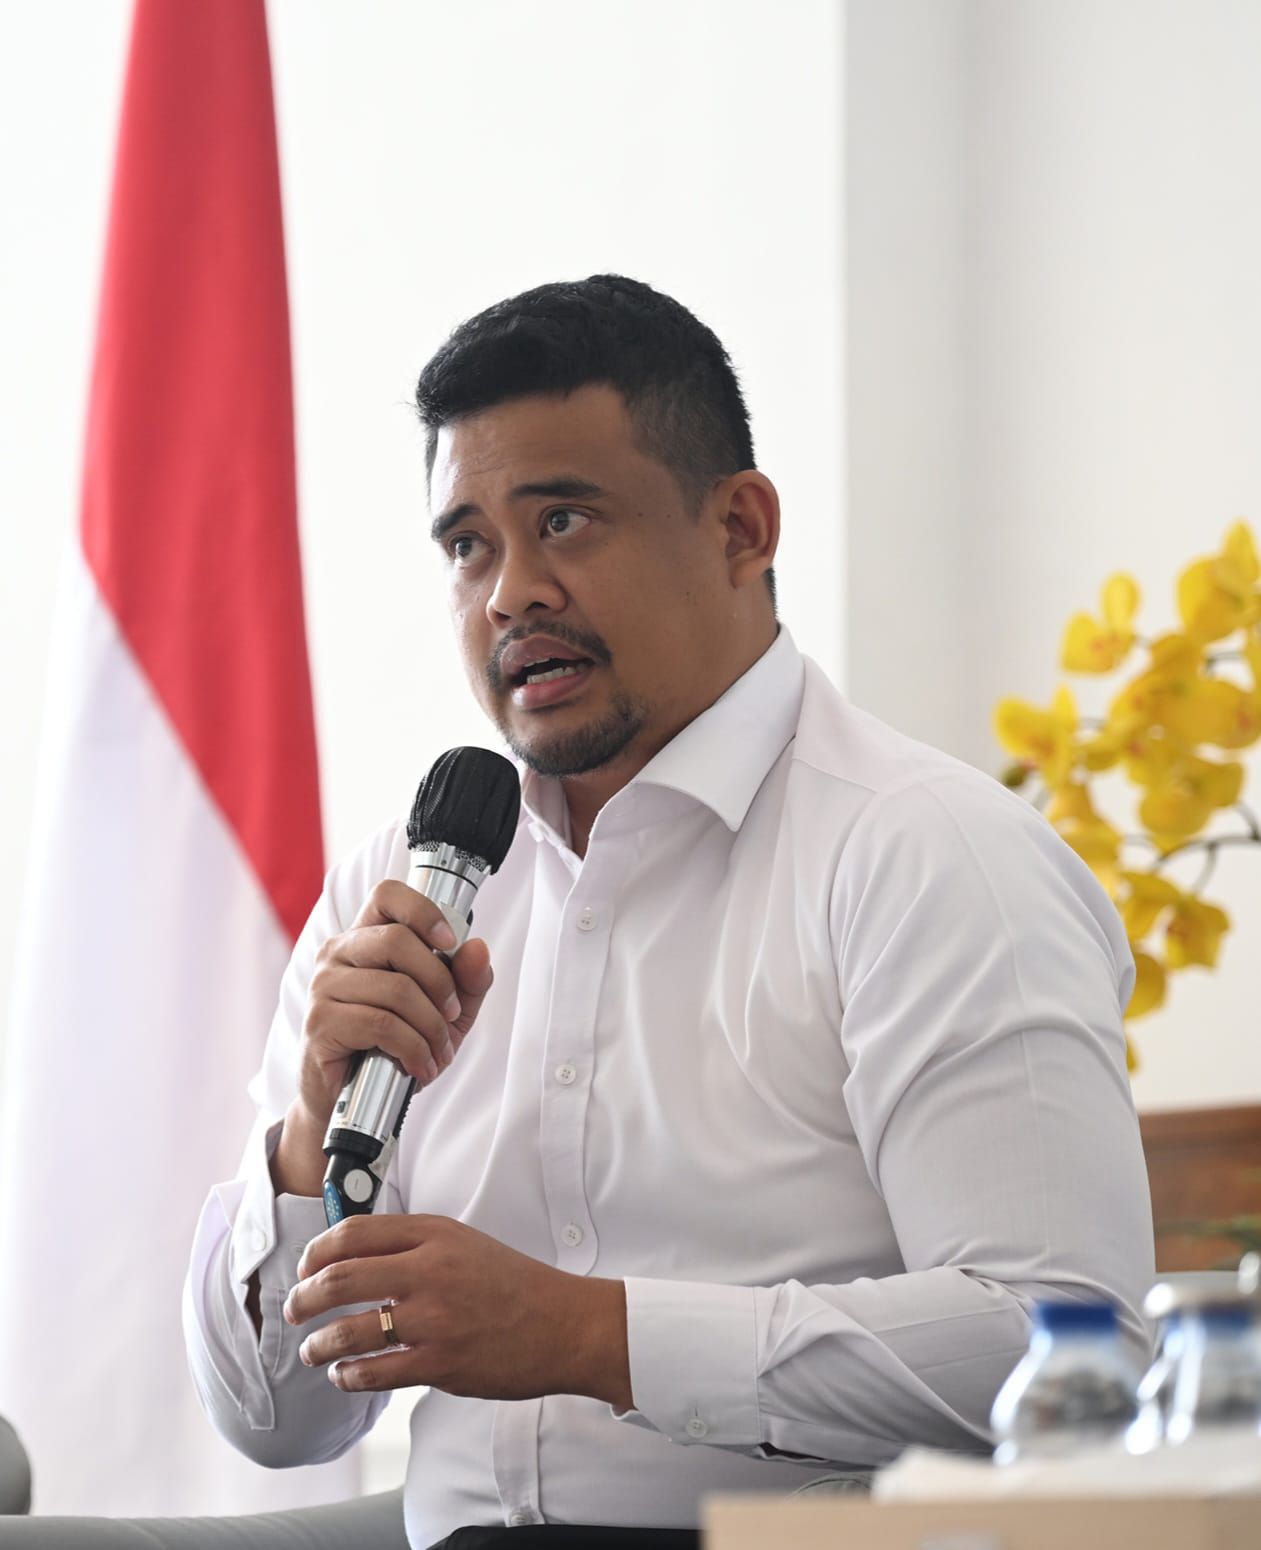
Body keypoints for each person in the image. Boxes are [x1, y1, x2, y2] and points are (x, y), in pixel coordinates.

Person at [183, 275, 1155, 1549]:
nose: (510, 593)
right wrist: (313, 1134)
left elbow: (1067, 1347)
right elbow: (274, 1419)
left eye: (564, 520)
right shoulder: (405, 881)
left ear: (741, 528)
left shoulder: (928, 853)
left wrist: (590, 1333)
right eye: (468, 544)